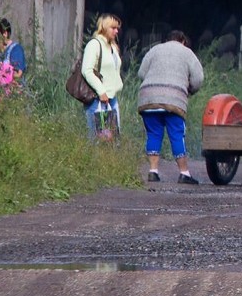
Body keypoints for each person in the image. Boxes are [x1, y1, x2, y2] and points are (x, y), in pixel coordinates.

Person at [137, 30, 205, 185]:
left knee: (153, 134)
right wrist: (189, 90)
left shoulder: (154, 50)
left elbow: (141, 73)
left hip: (149, 98)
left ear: (166, 40)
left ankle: (153, 171)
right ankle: (184, 173)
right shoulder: (187, 52)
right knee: (176, 134)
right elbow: (198, 78)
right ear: (182, 41)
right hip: (174, 99)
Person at [82, 13, 124, 141]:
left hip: (112, 98)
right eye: (113, 28)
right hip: (97, 98)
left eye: (117, 28)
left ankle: (111, 161)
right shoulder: (94, 44)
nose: (117, 31)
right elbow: (87, 70)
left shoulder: (113, 47)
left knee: (113, 139)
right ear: (104, 27)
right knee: (96, 139)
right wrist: (101, 91)